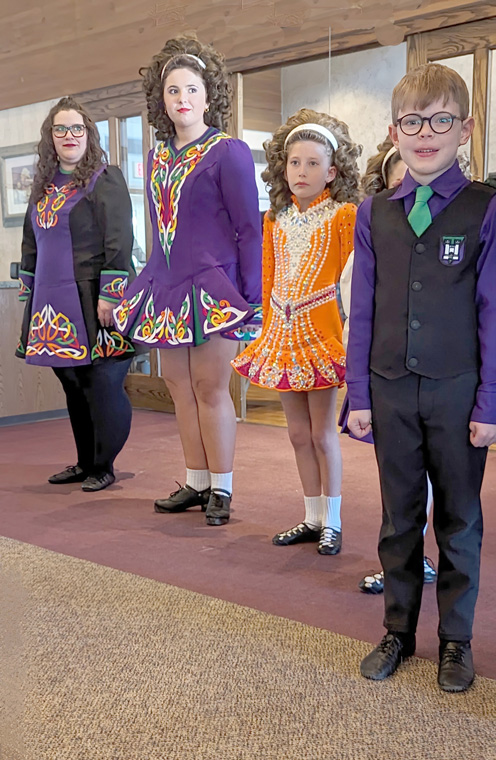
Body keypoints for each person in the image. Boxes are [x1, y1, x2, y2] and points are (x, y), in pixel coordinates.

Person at [346, 63, 496, 692]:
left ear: (465, 129)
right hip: (389, 389)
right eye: (412, 122)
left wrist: (489, 402)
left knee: (459, 518)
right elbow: (362, 309)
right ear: (393, 132)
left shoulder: (485, 208)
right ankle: (398, 630)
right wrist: (358, 393)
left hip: (457, 390)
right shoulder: (373, 212)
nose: (425, 133)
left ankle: (456, 639)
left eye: (440, 121)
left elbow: (492, 310)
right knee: (398, 516)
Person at [113, 35, 262, 526]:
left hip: (215, 287)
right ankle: (196, 482)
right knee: (178, 386)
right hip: (166, 288)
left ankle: (222, 487)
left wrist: (252, 297)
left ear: (208, 94)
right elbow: (157, 230)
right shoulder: (156, 157)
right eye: (173, 90)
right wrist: (141, 286)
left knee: (210, 387)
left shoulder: (229, 151)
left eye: (192, 89)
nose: (182, 99)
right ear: (161, 100)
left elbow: (248, 229)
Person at [232, 109, 360, 554]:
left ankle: (333, 521)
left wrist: (351, 337)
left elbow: (354, 282)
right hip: (283, 335)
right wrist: (267, 330)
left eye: (312, 163)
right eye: (294, 162)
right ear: (282, 168)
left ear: (332, 171)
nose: (301, 171)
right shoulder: (275, 219)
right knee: (297, 434)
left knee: (323, 433)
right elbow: (269, 278)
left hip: (322, 336)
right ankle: (311, 516)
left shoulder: (344, 216)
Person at [17, 97, 135, 491]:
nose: (69, 135)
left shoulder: (106, 179)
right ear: (50, 137)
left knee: (100, 383)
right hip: (50, 301)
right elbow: (31, 241)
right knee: (71, 383)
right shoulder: (43, 186)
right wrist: (28, 289)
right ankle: (84, 462)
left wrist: (111, 294)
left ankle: (104, 465)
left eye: (77, 128)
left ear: (89, 134)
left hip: (93, 298)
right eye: (61, 129)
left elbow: (119, 239)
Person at [342, 137, 437, 594]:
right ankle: (403, 559)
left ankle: (419, 557)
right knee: (397, 476)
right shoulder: (373, 233)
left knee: (433, 475)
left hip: (439, 377)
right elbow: (357, 313)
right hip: (388, 374)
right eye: (398, 183)